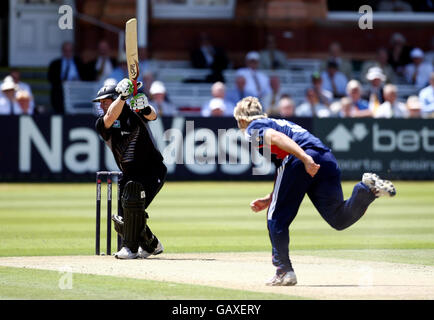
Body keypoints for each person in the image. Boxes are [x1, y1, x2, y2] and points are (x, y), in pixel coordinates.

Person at [233, 96, 396, 286]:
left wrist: (304, 158)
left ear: (241, 120)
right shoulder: (278, 121)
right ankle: (366, 189)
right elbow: (282, 165)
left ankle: (284, 271)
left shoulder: (253, 128)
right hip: (325, 157)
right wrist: (271, 197)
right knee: (339, 218)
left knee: (276, 217)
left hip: (303, 158)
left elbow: (278, 138)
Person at [93, 78, 166, 259]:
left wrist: (145, 107)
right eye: (100, 103)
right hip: (129, 174)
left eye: (105, 101)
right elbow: (110, 117)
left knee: (133, 209)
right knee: (123, 218)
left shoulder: (134, 113)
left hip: (152, 170)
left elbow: (153, 116)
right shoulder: (102, 123)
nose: (102, 106)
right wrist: (123, 97)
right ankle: (152, 245)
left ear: (115, 98)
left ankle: (130, 249)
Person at [47, 42, 85, 114]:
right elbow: (51, 78)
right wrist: (62, 83)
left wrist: (78, 82)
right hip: (61, 91)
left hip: (77, 90)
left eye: (70, 51)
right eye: (66, 50)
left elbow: (86, 77)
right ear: (62, 51)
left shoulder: (79, 62)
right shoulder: (55, 64)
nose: (68, 53)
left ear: (73, 51)